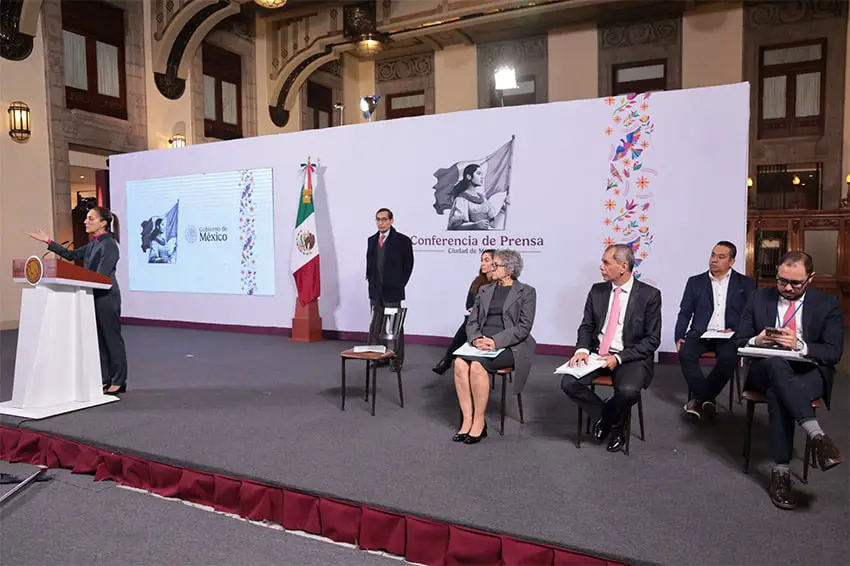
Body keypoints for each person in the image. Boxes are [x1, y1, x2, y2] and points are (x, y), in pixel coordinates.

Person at [735, 251, 843, 510]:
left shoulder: (827, 304)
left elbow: (833, 352)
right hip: (765, 368)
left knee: (778, 393)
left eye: (795, 283)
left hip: (808, 372)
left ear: (810, 278)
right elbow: (738, 341)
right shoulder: (758, 297)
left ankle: (780, 471)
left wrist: (801, 345)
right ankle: (817, 436)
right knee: (774, 365)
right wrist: (755, 340)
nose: (787, 288)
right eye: (782, 281)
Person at [561, 244, 661, 453]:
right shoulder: (597, 291)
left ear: (623, 266)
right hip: (598, 355)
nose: (601, 267)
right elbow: (586, 326)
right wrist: (581, 349)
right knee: (569, 382)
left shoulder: (649, 295)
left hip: (630, 356)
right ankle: (612, 419)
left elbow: (652, 340)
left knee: (628, 392)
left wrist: (620, 358)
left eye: (607, 262)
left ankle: (609, 422)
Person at [27, 206, 128, 394]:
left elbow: (102, 276)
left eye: (90, 218)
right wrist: (48, 241)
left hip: (106, 297)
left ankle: (119, 380)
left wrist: (80, 280)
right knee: (99, 340)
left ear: (103, 223)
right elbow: (72, 256)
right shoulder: (93, 243)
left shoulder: (109, 245)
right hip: (92, 295)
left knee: (112, 339)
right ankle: (106, 377)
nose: (85, 222)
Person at [453, 249, 536, 444]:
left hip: (510, 345)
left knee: (476, 366)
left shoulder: (527, 292)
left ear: (509, 269)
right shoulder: (485, 290)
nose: (491, 267)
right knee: (459, 363)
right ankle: (467, 420)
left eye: (495, 265)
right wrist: (475, 339)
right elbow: (472, 321)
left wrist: (495, 341)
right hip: (480, 342)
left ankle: (479, 422)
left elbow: (524, 327)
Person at [675, 241, 756, 420]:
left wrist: (737, 330)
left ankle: (698, 400)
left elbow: (750, 315)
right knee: (685, 353)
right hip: (701, 333)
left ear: (731, 261)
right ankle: (706, 399)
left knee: (729, 358)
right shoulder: (695, 282)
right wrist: (679, 336)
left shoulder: (746, 284)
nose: (714, 260)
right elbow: (685, 311)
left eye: (721, 257)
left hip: (730, 336)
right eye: (713, 255)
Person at [432, 249, 495, 375]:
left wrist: (480, 310)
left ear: (495, 263)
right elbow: (468, 304)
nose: (482, 263)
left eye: (486, 260)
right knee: (468, 323)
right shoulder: (477, 282)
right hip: (474, 319)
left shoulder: (499, 283)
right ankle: (450, 359)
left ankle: (447, 360)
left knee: (467, 325)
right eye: (481, 260)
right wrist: (476, 310)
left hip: (490, 321)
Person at [366, 208, 414, 369]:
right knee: (376, 327)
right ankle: (381, 357)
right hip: (375, 291)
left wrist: (400, 283)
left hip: (393, 291)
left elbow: (408, 265)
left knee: (395, 328)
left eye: (384, 219)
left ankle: (397, 360)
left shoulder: (402, 241)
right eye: (378, 219)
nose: (381, 222)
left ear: (391, 220)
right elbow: (370, 265)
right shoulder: (372, 240)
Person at [446, 164, 508, 231]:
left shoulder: (483, 199)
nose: (482, 177)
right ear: (469, 176)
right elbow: (455, 226)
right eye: (478, 174)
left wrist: (503, 208)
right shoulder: (461, 199)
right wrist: (475, 225)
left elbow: (493, 224)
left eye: (481, 174)